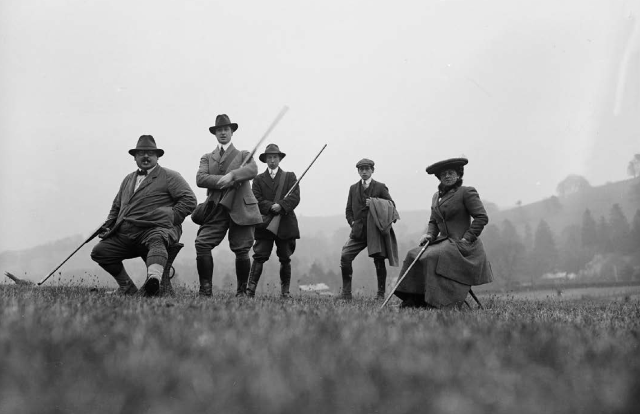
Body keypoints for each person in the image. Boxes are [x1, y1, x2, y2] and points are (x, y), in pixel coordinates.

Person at [91, 135, 197, 295]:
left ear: (157, 156)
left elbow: (189, 200)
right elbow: (117, 207)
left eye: (150, 153)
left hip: (157, 230)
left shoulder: (170, 176)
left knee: (157, 239)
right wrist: (109, 226)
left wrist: (170, 217)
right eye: (141, 153)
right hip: (127, 234)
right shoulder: (128, 179)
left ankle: (153, 282)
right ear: (135, 157)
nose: (145, 156)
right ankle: (127, 287)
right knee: (100, 251)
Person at [394, 157, 493, 308]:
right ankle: (414, 299)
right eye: (443, 174)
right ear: (439, 178)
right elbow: (433, 220)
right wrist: (430, 235)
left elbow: (481, 217)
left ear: (458, 175)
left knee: (433, 257)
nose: (447, 176)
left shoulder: (466, 192)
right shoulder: (436, 196)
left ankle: (438, 302)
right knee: (413, 254)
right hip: (443, 241)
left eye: (450, 173)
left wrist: (467, 238)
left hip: (464, 246)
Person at [194, 114, 262, 297]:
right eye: (219, 130)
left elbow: (253, 170)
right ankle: (205, 290)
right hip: (216, 208)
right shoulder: (207, 157)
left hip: (241, 208)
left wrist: (232, 176)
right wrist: (220, 181)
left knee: (242, 249)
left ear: (232, 132)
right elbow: (200, 178)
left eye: (226, 129)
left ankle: (242, 292)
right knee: (202, 243)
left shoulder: (244, 155)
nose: (223, 133)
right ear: (215, 133)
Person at [340, 158, 399, 300]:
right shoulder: (353, 188)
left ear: (373, 170)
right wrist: (352, 223)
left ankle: (380, 295)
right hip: (358, 231)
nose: (364, 172)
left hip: (376, 232)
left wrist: (373, 202)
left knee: (379, 261)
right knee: (345, 257)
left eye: (367, 169)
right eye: (361, 169)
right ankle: (346, 294)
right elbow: (348, 210)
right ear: (358, 171)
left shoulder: (380, 187)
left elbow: (392, 206)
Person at [247, 144, 300, 298]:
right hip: (265, 224)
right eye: (269, 157)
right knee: (259, 256)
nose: (272, 160)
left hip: (285, 223)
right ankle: (250, 291)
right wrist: (271, 207)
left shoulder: (290, 177)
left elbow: (295, 197)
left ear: (279, 159)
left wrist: (281, 206)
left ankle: (285, 292)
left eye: (275, 157)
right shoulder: (257, 179)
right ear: (265, 160)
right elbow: (255, 199)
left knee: (285, 257)